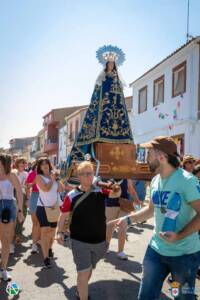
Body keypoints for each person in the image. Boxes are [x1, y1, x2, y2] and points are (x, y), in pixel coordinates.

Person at [112, 136, 200, 300]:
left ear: (162, 157)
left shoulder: (187, 181)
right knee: (146, 296)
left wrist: (179, 235)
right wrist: (128, 220)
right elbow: (150, 210)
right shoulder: (155, 180)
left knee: (181, 296)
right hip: (156, 251)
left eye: (149, 153)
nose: (145, 158)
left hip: (185, 255)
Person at [57, 161, 118, 300]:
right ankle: (82, 295)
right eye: (85, 174)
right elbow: (63, 215)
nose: (88, 177)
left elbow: (115, 194)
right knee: (83, 272)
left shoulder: (101, 190)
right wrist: (59, 232)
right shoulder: (71, 195)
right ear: (79, 176)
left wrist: (115, 186)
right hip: (79, 241)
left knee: (88, 270)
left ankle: (80, 290)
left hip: (99, 242)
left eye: (90, 173)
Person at [36, 158, 63, 268]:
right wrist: (52, 179)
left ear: (49, 165)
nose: (45, 166)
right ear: (40, 167)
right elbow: (46, 189)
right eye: (42, 164)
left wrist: (57, 179)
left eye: (46, 163)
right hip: (42, 207)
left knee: (52, 231)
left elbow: (61, 189)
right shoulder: (39, 177)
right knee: (45, 231)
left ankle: (50, 248)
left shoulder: (54, 176)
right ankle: (46, 257)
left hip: (55, 208)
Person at [0, 154, 24, 281]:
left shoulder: (11, 176)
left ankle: (3, 269)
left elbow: (19, 193)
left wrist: (20, 210)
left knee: (6, 241)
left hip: (8, 207)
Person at [106, 179, 141, 260]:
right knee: (109, 227)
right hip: (110, 204)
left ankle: (120, 251)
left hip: (124, 205)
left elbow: (131, 190)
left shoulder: (127, 177)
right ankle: (106, 247)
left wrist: (138, 203)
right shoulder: (109, 175)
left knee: (123, 226)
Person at [12, 157, 28, 246]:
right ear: (17, 163)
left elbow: (27, 187)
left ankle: (17, 232)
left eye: (24, 162)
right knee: (15, 213)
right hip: (14, 194)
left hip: (24, 195)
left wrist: (28, 198)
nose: (23, 164)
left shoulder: (26, 173)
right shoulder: (13, 172)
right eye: (21, 162)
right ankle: (16, 234)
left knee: (23, 214)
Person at [26, 161, 41, 254]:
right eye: (40, 164)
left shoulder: (48, 174)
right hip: (35, 196)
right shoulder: (32, 174)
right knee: (36, 222)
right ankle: (34, 244)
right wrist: (27, 199)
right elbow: (27, 186)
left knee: (44, 223)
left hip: (46, 197)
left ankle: (42, 241)